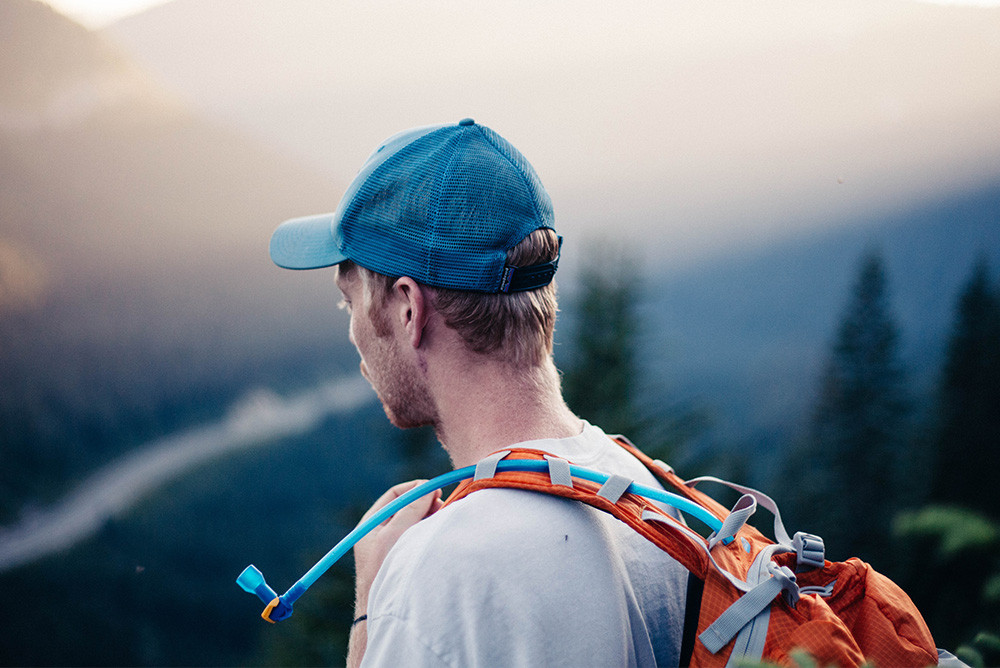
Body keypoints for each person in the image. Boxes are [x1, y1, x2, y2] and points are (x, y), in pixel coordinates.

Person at [269, 119, 688, 667]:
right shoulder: (651, 492)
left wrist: (374, 602)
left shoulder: (440, 579)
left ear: (407, 309)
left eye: (349, 303)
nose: (351, 332)